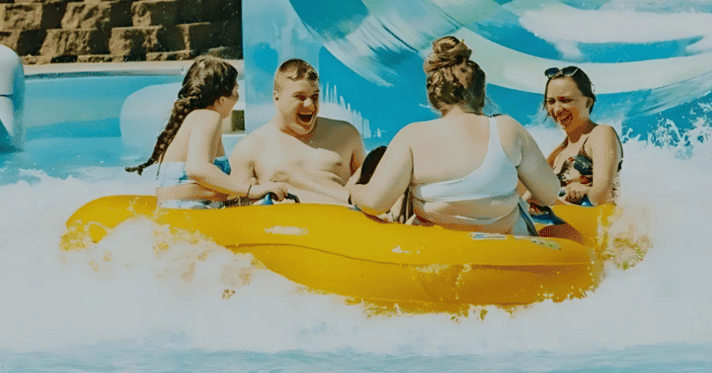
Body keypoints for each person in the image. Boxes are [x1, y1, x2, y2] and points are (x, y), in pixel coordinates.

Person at [349, 36, 561, 234]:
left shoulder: (412, 136)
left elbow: (375, 203)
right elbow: (549, 194)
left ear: (434, 97)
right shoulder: (507, 128)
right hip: (505, 252)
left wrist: (356, 191)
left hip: (437, 250)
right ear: (482, 93)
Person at [125, 56, 288, 207]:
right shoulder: (208, 117)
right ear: (222, 99)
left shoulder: (185, 121)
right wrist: (250, 190)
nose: (238, 96)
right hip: (191, 217)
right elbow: (198, 169)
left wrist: (242, 195)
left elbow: (181, 189)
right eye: (236, 90)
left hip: (178, 214)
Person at [229, 57, 365, 205]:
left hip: (342, 221)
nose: (310, 104)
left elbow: (369, 191)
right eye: (300, 97)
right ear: (276, 97)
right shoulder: (250, 148)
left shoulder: (345, 134)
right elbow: (234, 205)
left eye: (315, 96)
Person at [542, 65, 622, 206]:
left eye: (566, 100)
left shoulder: (600, 134)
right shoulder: (558, 153)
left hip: (600, 225)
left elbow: (602, 197)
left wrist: (585, 190)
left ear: (588, 102)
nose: (557, 109)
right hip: (561, 222)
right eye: (551, 101)